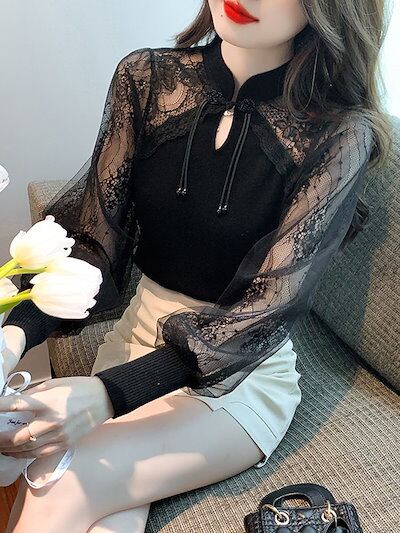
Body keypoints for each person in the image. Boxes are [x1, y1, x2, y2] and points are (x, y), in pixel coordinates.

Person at [0, 0, 391, 531]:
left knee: (63, 477)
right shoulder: (146, 79)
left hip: (239, 377)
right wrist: (14, 336)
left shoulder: (338, 134)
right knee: (79, 494)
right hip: (133, 341)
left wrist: (108, 394)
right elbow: (95, 248)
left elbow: (268, 309)